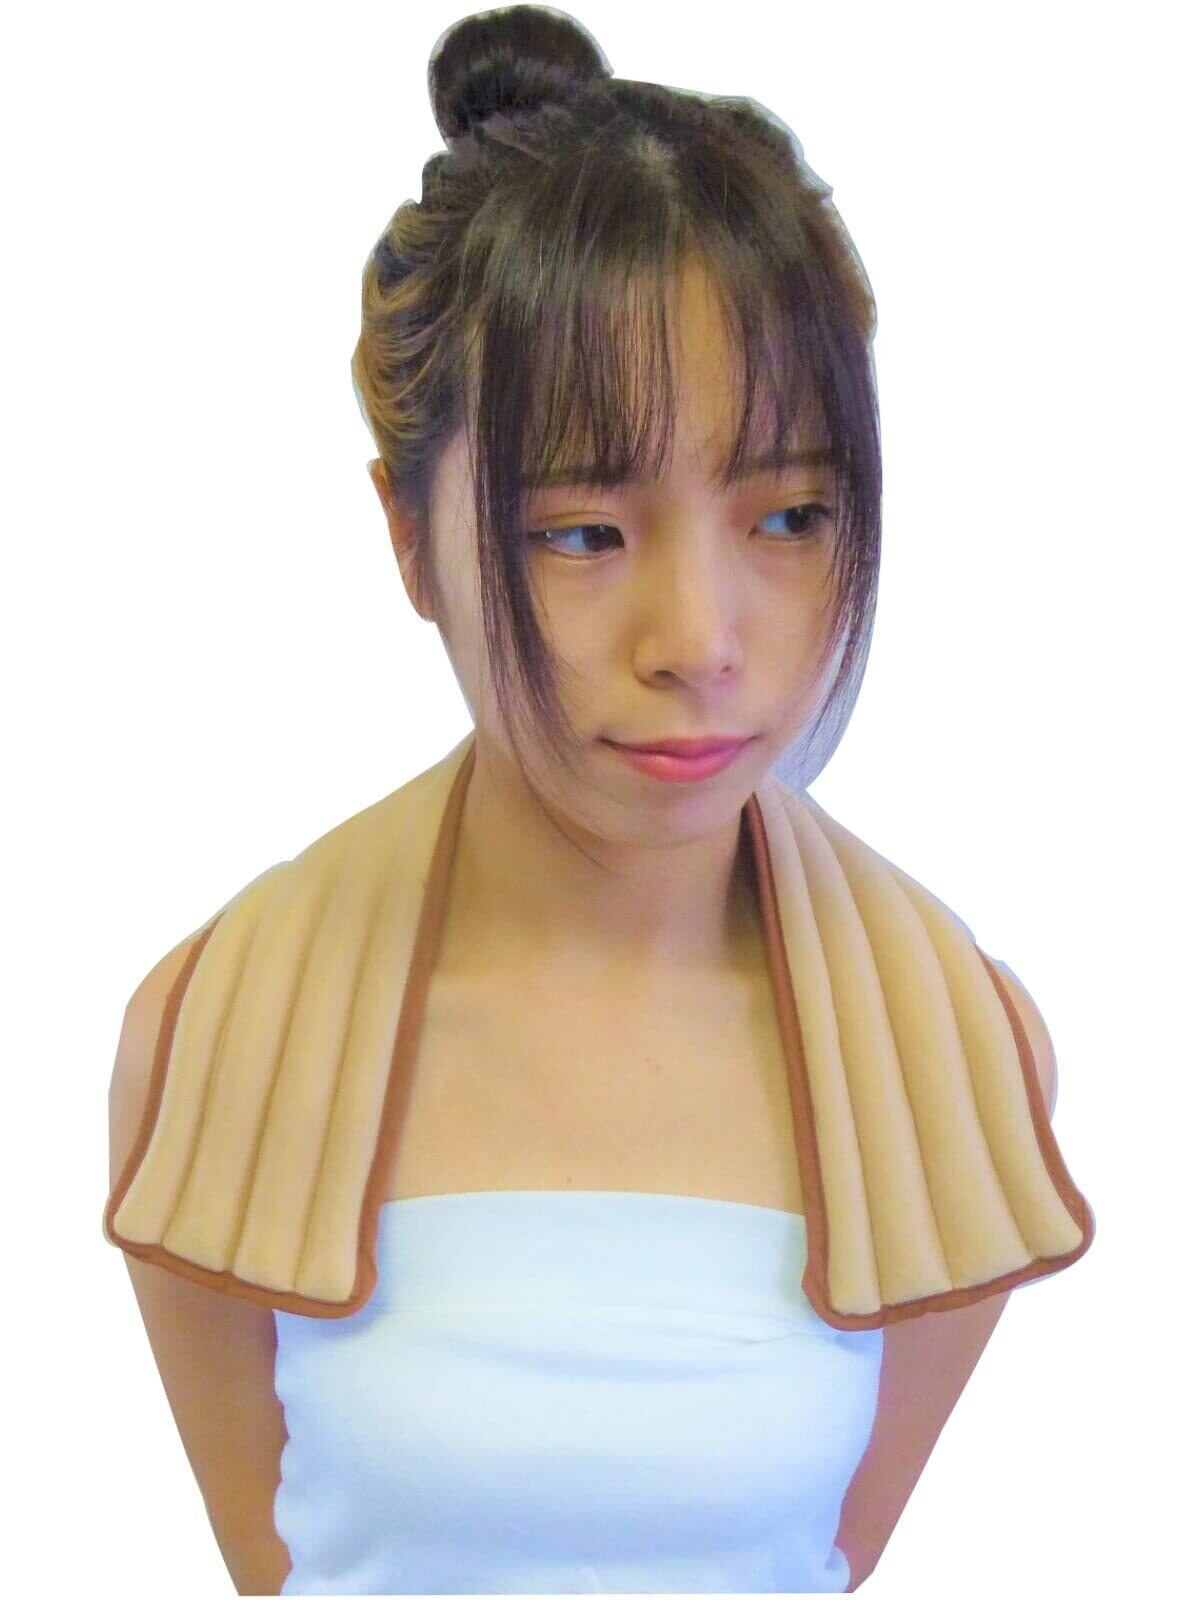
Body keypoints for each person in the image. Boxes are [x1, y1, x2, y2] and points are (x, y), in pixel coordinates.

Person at [106, 6, 1092, 1594]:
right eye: (582, 533)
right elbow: (273, 1566)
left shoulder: (953, 1049)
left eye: (789, 515)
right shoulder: (219, 1030)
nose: (699, 639)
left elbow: (822, 1565)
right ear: (410, 539)